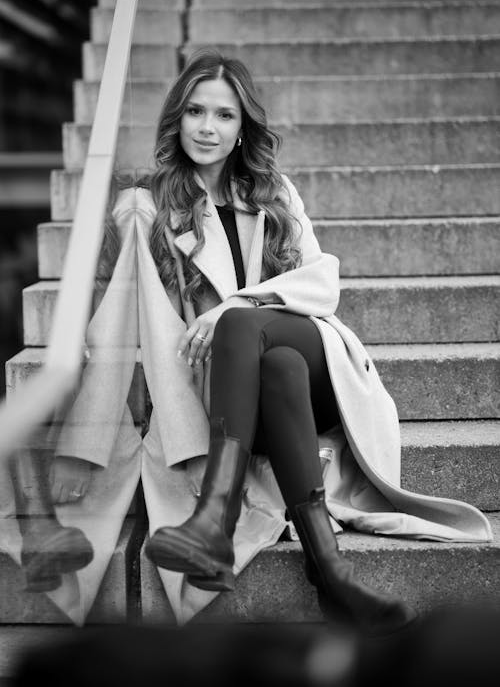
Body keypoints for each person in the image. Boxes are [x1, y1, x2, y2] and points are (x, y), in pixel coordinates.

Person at [34, 47, 491, 629]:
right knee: (276, 368)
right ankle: (330, 575)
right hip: (248, 393)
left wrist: (236, 304)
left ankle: (214, 520)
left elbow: (322, 280)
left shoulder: (275, 193)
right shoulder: (149, 207)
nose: (208, 127)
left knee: (247, 326)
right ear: (177, 119)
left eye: (224, 115)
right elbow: (120, 322)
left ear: (243, 126)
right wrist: (87, 441)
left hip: (319, 361)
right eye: (196, 112)